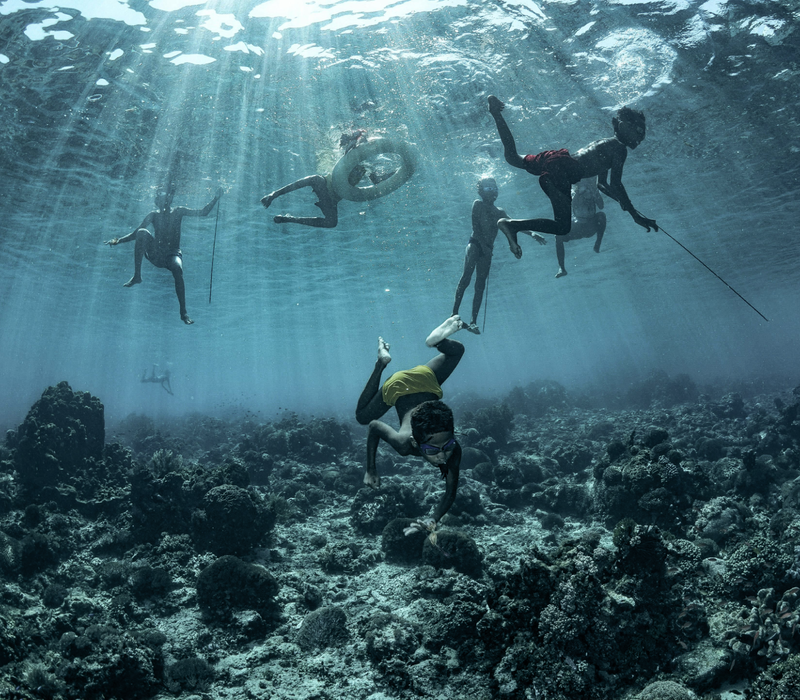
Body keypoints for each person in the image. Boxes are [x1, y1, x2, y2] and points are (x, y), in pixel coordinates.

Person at [487, 95, 657, 254]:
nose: (641, 137)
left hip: (556, 158)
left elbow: (602, 184)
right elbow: (616, 184)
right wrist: (635, 215)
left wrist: (622, 202)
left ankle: (495, 113)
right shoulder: (619, 149)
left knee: (512, 158)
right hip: (562, 170)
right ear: (623, 125)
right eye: (639, 130)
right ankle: (512, 225)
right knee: (562, 228)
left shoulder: (608, 145)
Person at [355, 315, 466, 532]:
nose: (442, 456)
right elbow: (373, 426)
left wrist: (433, 519)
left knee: (458, 351)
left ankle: (437, 341)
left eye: (447, 446)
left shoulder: (453, 449)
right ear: (416, 443)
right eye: (432, 450)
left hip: (426, 380)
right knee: (361, 417)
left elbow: (451, 491)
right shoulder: (404, 443)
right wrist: (370, 470)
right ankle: (381, 364)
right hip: (399, 386)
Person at [106, 183, 223, 324]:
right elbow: (135, 233)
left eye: (165, 196)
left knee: (178, 268)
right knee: (142, 232)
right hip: (157, 254)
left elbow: (203, 212)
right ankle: (137, 276)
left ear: (170, 198)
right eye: (159, 196)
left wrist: (216, 198)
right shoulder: (153, 215)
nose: (162, 200)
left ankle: (183, 312)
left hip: (173, 255)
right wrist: (118, 240)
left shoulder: (178, 211)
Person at [452, 177, 546, 334]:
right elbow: (475, 225)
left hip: (487, 250)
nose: (491, 192)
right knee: (466, 278)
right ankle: (454, 313)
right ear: (481, 190)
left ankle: (473, 321)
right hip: (475, 245)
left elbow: (514, 224)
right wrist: (484, 246)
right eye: (487, 188)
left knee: (480, 285)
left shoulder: (499, 212)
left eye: (493, 188)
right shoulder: (477, 204)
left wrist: (532, 233)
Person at [260, 129, 394, 229]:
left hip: (333, 198)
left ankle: (289, 219)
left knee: (332, 223)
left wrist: (389, 177)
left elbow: (376, 181)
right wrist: (354, 139)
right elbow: (348, 150)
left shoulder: (366, 165)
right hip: (325, 186)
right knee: (317, 179)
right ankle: (274, 195)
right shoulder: (350, 152)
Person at [554, 176, 607, 278]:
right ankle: (562, 268)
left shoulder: (593, 190)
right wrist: (577, 194)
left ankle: (598, 242)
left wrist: (594, 192)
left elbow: (601, 206)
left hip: (590, 226)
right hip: (577, 227)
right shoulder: (573, 192)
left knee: (601, 215)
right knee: (558, 235)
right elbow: (568, 207)